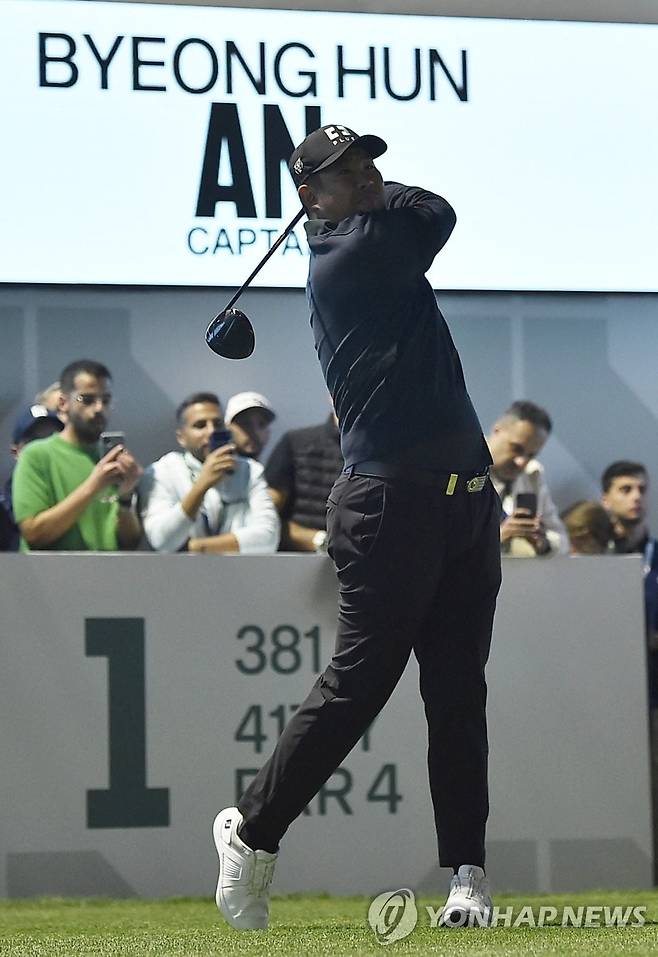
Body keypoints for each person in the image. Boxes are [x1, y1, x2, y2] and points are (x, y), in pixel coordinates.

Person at [212, 124, 501, 929]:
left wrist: (362, 191)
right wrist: (377, 200)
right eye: (348, 172)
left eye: (371, 165)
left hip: (467, 498)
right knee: (360, 684)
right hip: (388, 504)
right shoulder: (351, 254)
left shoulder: (367, 230)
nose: (370, 179)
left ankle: (467, 876)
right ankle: (250, 831)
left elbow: (419, 212)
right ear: (311, 197)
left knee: (458, 690)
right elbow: (438, 211)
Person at [12, 360, 143, 551]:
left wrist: (125, 497)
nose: (99, 408)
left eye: (106, 400)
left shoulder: (114, 460)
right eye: (87, 399)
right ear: (63, 403)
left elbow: (130, 544)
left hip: (109, 570)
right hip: (49, 571)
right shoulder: (36, 455)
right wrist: (94, 485)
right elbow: (34, 534)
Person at [139, 392, 279, 554]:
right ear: (181, 437)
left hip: (241, 568)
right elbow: (162, 541)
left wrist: (195, 547)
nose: (211, 431)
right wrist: (201, 486)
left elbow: (269, 538)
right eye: (200, 425)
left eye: (217, 424)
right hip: (179, 570)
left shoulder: (250, 470)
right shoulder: (162, 471)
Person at [487, 401, 568, 557]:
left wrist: (543, 543)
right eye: (516, 448)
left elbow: (562, 541)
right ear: (497, 431)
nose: (521, 461)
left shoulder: (533, 474)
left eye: (531, 455)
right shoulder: (460, 468)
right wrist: (496, 537)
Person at [265, 412, 343, 552]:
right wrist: (321, 540)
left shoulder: (383, 450)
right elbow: (265, 522)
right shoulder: (295, 443)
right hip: (299, 560)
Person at [0, 405, 64, 551]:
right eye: (34, 442)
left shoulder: (74, 491)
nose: (45, 449)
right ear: (16, 452)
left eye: (53, 439)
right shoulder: (3, 511)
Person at [601, 460, 651, 554]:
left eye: (642, 490)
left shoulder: (654, 554)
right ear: (606, 501)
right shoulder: (593, 554)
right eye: (626, 489)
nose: (637, 496)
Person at [224, 391, 275, 461]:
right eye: (245, 423)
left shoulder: (276, 466)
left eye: (262, 424)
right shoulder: (212, 467)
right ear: (227, 428)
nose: (255, 432)